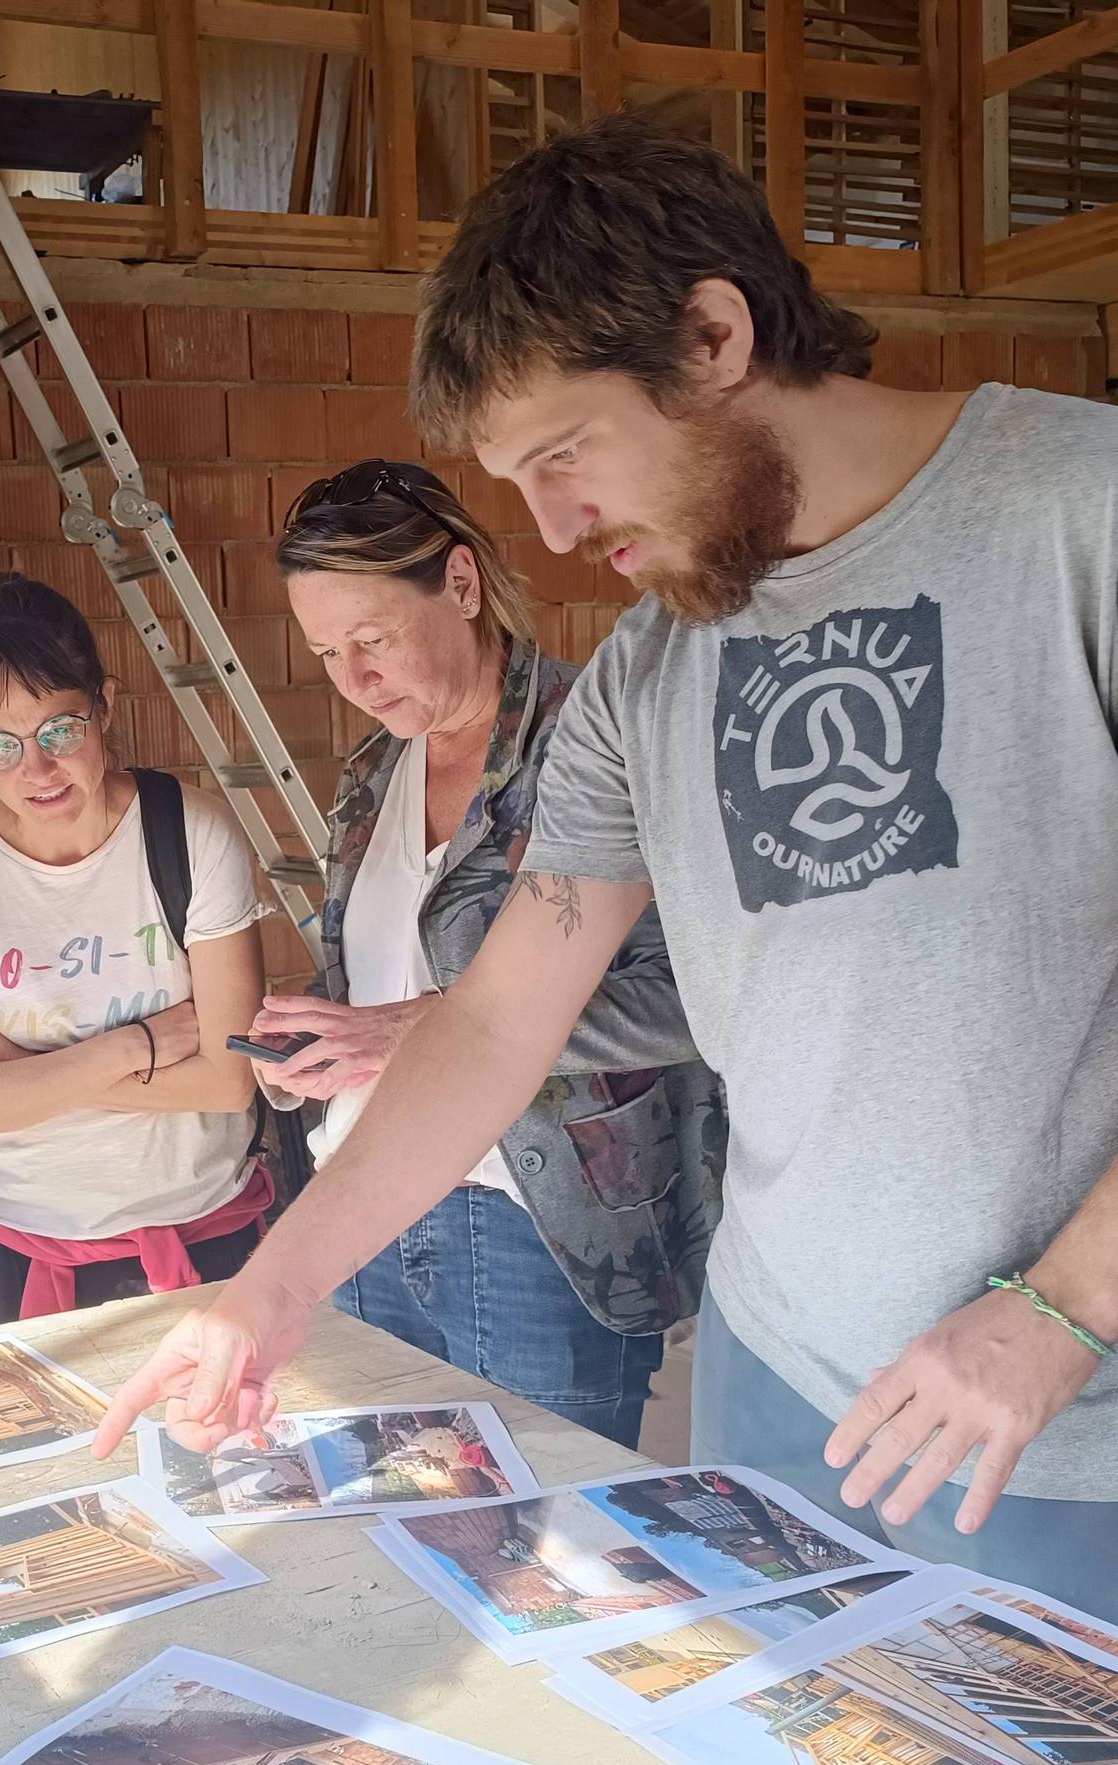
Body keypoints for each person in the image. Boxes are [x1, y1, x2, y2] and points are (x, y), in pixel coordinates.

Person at [94, 113, 1118, 1622]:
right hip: (779, 1390)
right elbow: (502, 1021)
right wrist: (277, 1290)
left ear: (713, 335)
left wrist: (1062, 1310)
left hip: (1066, 1425)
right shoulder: (648, 674)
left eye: (566, 456)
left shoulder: (1080, 515)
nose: (557, 534)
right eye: (517, 483)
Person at [254, 459, 722, 1448]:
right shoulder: (375, 768)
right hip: (370, 1198)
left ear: (459, 584)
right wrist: (321, 1036)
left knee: (541, 1557)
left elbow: (696, 998)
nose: (352, 678)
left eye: (372, 639)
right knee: (405, 1527)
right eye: (327, 651)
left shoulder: (590, 742)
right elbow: (377, 981)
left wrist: (415, 1030)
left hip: (534, 1229)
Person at [0, 575, 271, 1333]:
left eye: (60, 731)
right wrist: (143, 1045)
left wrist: (16, 1062)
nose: (37, 770)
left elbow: (229, 1083)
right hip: (10, 1251)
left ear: (106, 705)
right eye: (0, 746)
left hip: (202, 1237)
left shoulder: (192, 837)